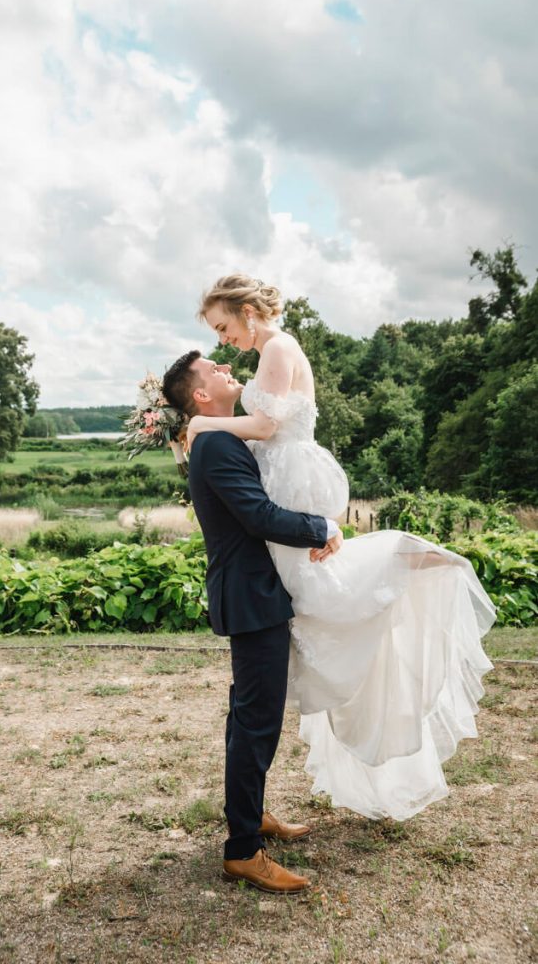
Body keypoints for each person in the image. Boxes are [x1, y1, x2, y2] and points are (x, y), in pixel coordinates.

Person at [185, 273, 496, 822]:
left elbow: (261, 423)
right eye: (217, 333)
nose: (224, 340)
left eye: (224, 326)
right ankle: (251, 807)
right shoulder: (264, 355)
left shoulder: (278, 346)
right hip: (278, 478)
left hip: (292, 473)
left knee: (324, 584)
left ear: (247, 312)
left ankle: (403, 557)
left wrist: (199, 425)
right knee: (308, 596)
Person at [162, 350, 343, 894]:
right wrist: (322, 526)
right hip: (250, 595)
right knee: (257, 719)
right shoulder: (216, 444)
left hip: (255, 591)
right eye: (215, 369)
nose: (226, 369)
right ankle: (243, 849)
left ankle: (251, 814)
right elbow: (257, 516)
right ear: (200, 396)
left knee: (249, 715)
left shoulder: (222, 436)